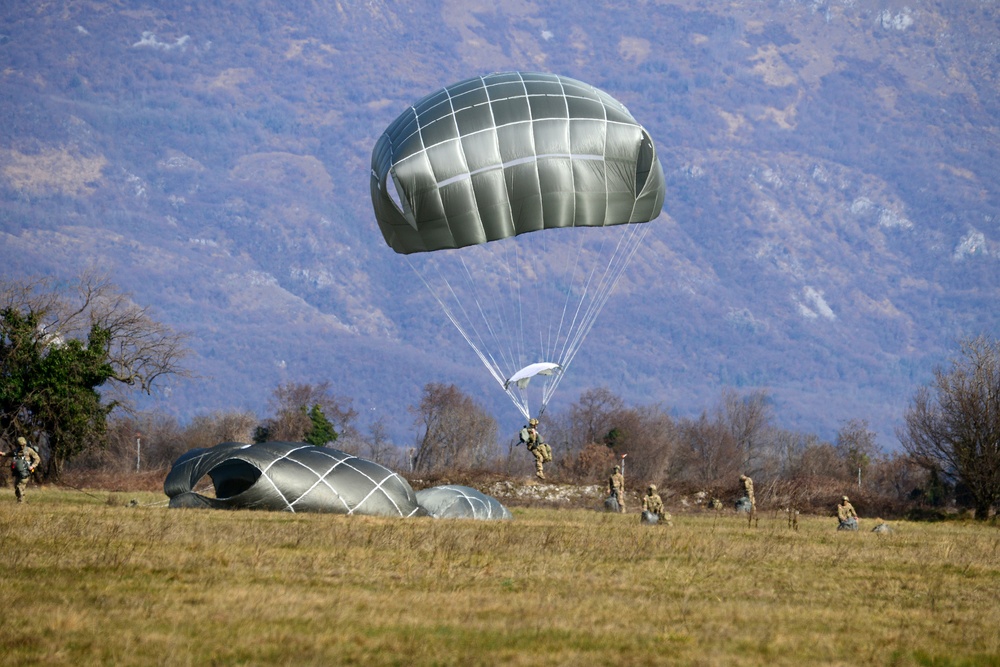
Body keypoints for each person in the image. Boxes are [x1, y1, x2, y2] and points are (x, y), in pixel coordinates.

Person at [4, 437, 41, 503]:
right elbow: (9, 454)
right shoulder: (16, 451)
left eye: (23, 445)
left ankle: (21, 503)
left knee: (20, 486)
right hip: (18, 472)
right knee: (16, 487)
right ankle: (20, 500)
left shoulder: (29, 450)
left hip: (25, 472)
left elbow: (37, 458)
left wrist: (33, 466)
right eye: (20, 445)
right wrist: (2, 454)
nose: (22, 446)